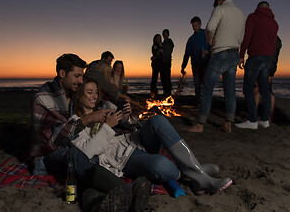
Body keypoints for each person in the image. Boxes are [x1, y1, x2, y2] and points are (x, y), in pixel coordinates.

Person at [70, 77, 233, 195]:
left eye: (96, 92)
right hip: (121, 158)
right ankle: (198, 172)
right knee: (163, 166)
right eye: (89, 92)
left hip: (134, 140)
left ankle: (199, 176)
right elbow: (86, 152)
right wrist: (107, 126)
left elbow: (133, 126)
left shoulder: (106, 106)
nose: (94, 96)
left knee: (158, 120)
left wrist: (127, 117)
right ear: (79, 95)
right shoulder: (75, 122)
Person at [29, 53, 146, 212]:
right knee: (75, 155)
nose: (80, 80)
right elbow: (55, 142)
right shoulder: (44, 98)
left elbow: (95, 100)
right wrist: (87, 119)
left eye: (82, 76)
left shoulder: (71, 92)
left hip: (73, 145)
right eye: (77, 76)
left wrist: (123, 115)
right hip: (50, 152)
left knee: (88, 160)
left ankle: (96, 204)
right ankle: (129, 192)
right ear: (62, 74)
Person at [186, 0, 245, 133]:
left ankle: (200, 124)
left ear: (219, 2)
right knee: (230, 90)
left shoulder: (220, 9)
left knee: (207, 87)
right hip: (234, 53)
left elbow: (210, 27)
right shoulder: (241, 13)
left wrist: (210, 41)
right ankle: (228, 123)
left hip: (221, 53)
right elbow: (242, 35)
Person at [235, 1, 279, 129]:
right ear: (269, 8)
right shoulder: (274, 23)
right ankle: (265, 120)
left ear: (258, 8)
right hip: (267, 58)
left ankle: (252, 120)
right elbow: (273, 43)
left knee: (248, 87)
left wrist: (241, 55)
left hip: (255, 56)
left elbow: (247, 36)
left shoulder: (253, 17)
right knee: (265, 89)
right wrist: (269, 56)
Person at [181, 16, 210, 106]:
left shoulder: (207, 34)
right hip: (195, 65)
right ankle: (199, 102)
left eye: (196, 25)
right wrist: (183, 66)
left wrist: (208, 52)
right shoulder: (191, 39)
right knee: (197, 84)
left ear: (200, 24)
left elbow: (215, 46)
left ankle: (206, 102)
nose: (194, 27)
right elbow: (187, 54)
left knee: (206, 84)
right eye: (193, 26)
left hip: (206, 63)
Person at [254, 36, 282, 121]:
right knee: (267, 89)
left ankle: (253, 115)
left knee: (256, 89)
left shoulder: (267, 38)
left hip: (264, 65)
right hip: (271, 66)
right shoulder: (277, 40)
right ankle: (268, 117)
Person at [161, 29, 174, 97]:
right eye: (163, 34)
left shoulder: (169, 42)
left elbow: (169, 51)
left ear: (168, 34)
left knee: (167, 77)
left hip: (167, 61)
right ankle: (165, 92)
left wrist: (163, 53)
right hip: (163, 62)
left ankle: (168, 93)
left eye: (165, 34)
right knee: (163, 77)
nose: (164, 35)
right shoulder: (163, 43)